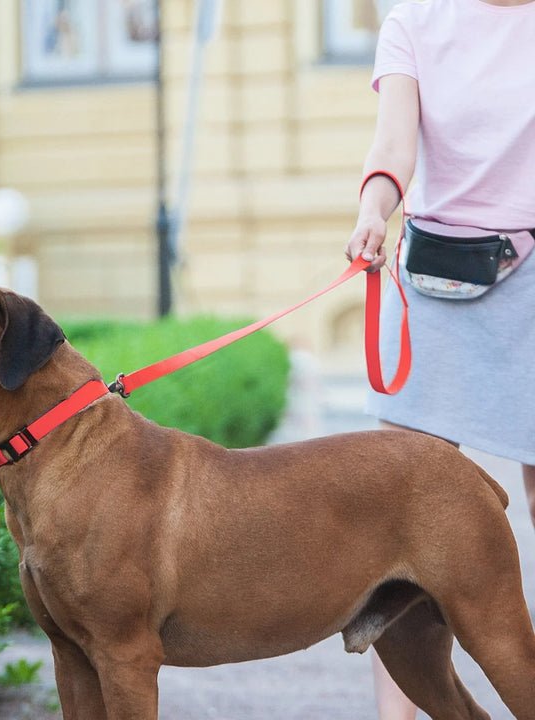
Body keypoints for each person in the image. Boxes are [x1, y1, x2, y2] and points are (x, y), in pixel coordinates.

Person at [345, 0, 535, 717]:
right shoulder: (414, 20)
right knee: (402, 510)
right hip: (437, 280)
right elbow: (394, 146)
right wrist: (374, 209)